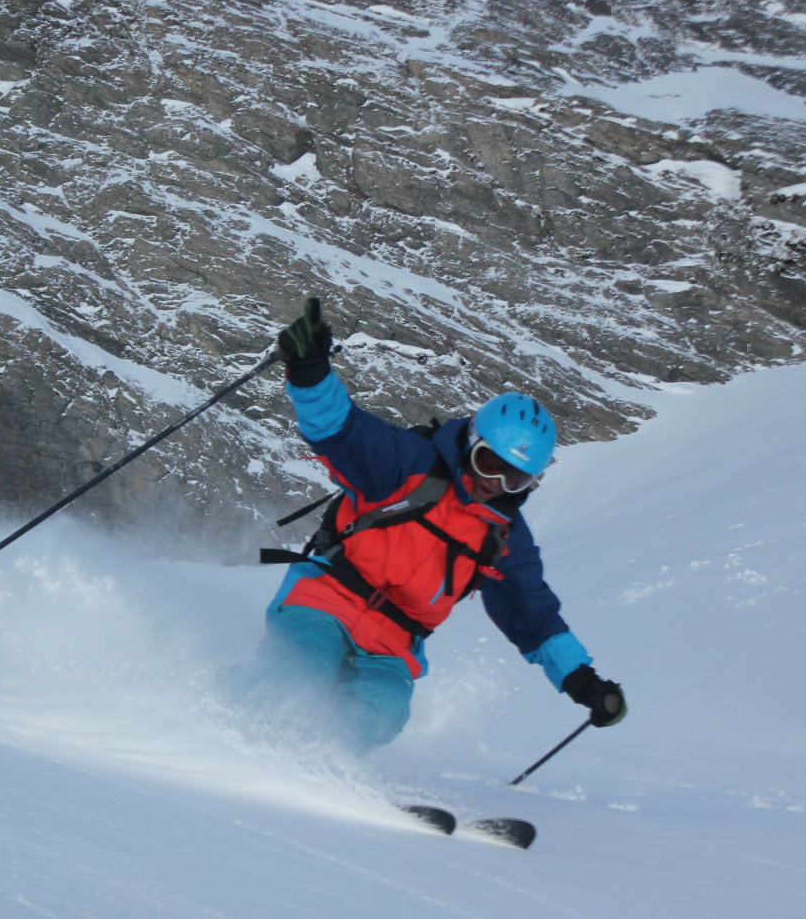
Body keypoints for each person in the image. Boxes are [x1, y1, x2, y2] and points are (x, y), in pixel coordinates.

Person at [240, 298, 626, 754]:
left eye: (514, 478)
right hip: (324, 601)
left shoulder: (503, 536)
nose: (494, 484)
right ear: (471, 443)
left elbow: (533, 616)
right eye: (488, 463)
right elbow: (341, 432)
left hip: (393, 644)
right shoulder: (410, 464)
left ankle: (312, 767)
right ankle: (214, 723)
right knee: (295, 675)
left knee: (381, 711)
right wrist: (309, 371)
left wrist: (582, 681)